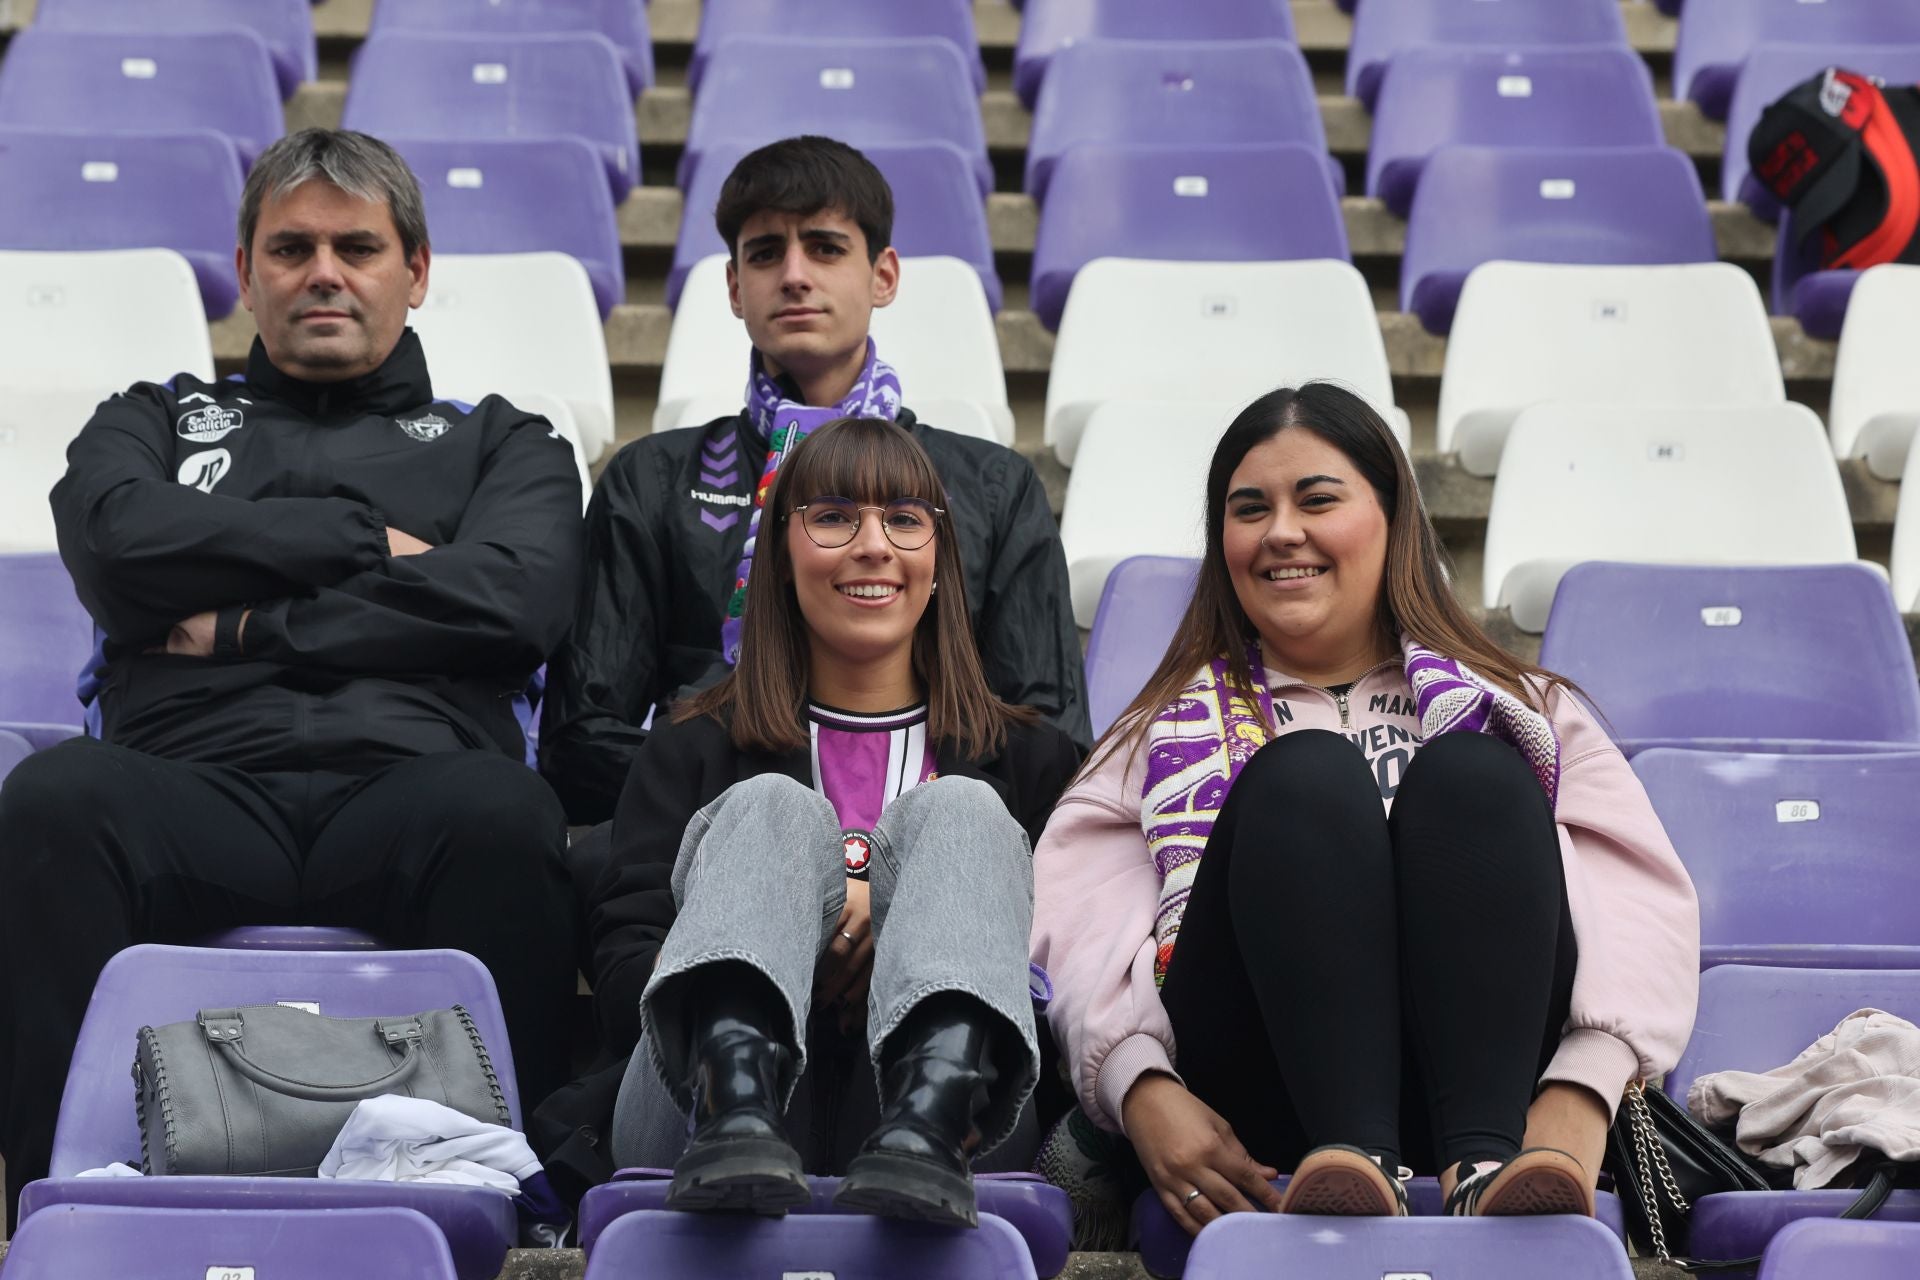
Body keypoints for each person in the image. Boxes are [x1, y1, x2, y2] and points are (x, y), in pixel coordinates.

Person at [0, 129, 583, 1215]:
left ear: (415, 269)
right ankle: (56, 1199)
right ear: (245, 269)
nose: (323, 272)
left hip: (416, 787)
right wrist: (373, 544)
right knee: (52, 801)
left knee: (509, 812)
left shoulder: (504, 443)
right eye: (292, 247)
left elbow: (515, 601)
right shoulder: (160, 417)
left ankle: (521, 1205)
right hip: (189, 786)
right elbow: (119, 545)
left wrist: (230, 621)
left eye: (357, 247)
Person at [1031, 384, 1699, 1232]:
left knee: (1476, 779)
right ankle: (1354, 1153)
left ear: (1392, 519)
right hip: (1268, 1116)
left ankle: (1483, 1162)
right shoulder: (1159, 731)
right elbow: (1077, 925)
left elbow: (1643, 905)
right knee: (1304, 778)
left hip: (1507, 1101)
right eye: (1249, 510)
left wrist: (1582, 1089)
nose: (1280, 532)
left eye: (1317, 500)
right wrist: (1142, 1087)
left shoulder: (1526, 709)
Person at [589, 417, 1082, 1226]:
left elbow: (1069, 984)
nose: (872, 545)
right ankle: (736, 1106)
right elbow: (620, 973)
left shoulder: (1033, 760)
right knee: (773, 806)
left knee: (962, 808)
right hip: (684, 1124)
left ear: (938, 561)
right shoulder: (691, 744)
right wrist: (790, 935)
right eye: (832, 517)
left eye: (905, 520)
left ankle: (927, 1119)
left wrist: (908, 945)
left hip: (966, 1142)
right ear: (780, 555)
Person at [539, 134, 1089, 827]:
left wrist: (883, 833)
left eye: (825, 248)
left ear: (883, 275)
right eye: (765, 253)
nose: (794, 274)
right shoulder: (651, 480)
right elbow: (580, 742)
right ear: (735, 287)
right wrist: (776, 819)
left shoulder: (991, 487)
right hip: (704, 854)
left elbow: (1051, 740)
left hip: (938, 854)